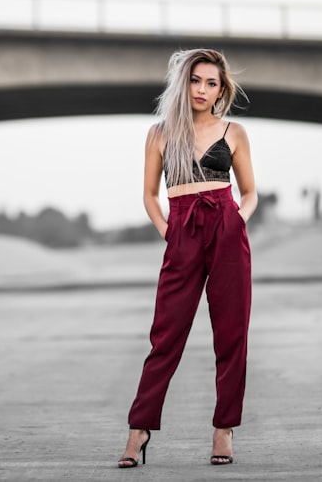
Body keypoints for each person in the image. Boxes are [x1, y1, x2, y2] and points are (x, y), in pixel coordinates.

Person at [117, 48, 257, 468]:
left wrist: (236, 221)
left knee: (231, 334)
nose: (202, 89)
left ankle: (223, 429)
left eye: (211, 83)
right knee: (166, 334)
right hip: (181, 229)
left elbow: (250, 192)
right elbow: (148, 195)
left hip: (226, 230)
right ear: (185, 83)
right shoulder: (160, 133)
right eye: (196, 80)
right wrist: (168, 232)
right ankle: (139, 429)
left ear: (221, 90)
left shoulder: (234, 132)